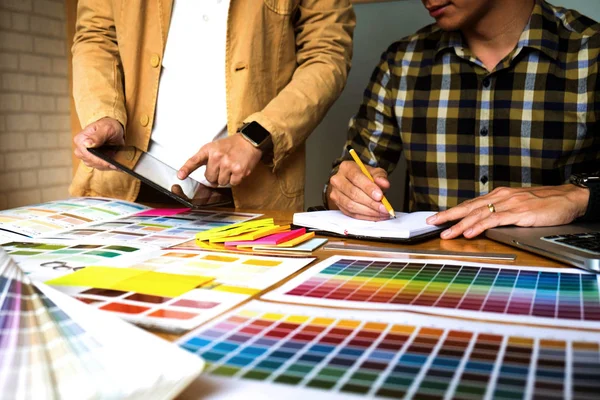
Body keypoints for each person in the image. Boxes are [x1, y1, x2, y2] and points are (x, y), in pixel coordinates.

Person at [326, 0, 600, 239]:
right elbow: (353, 173)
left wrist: (582, 196)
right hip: (431, 271)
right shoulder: (402, 61)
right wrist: (343, 190)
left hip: (556, 273)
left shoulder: (591, 52)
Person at [70, 0, 355, 211]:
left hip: (245, 199)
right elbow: (95, 37)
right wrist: (104, 113)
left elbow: (326, 55)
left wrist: (256, 136)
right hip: (124, 186)